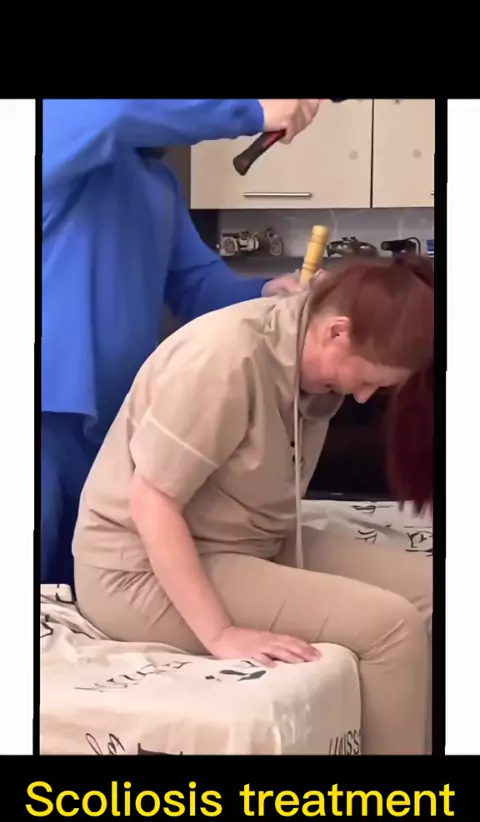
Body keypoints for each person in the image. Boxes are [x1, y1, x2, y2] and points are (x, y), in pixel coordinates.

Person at [72, 254, 434, 755]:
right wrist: (222, 633)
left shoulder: (307, 342)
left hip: (247, 541)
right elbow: (152, 502)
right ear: (337, 331)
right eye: (367, 379)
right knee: (390, 628)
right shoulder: (224, 360)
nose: (361, 396)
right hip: (136, 571)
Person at [42, 98, 323, 585]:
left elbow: (197, 285)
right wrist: (254, 111)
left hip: (114, 426)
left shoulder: (158, 183)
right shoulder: (52, 129)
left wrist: (264, 291)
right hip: (38, 414)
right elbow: (114, 113)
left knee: (85, 591)